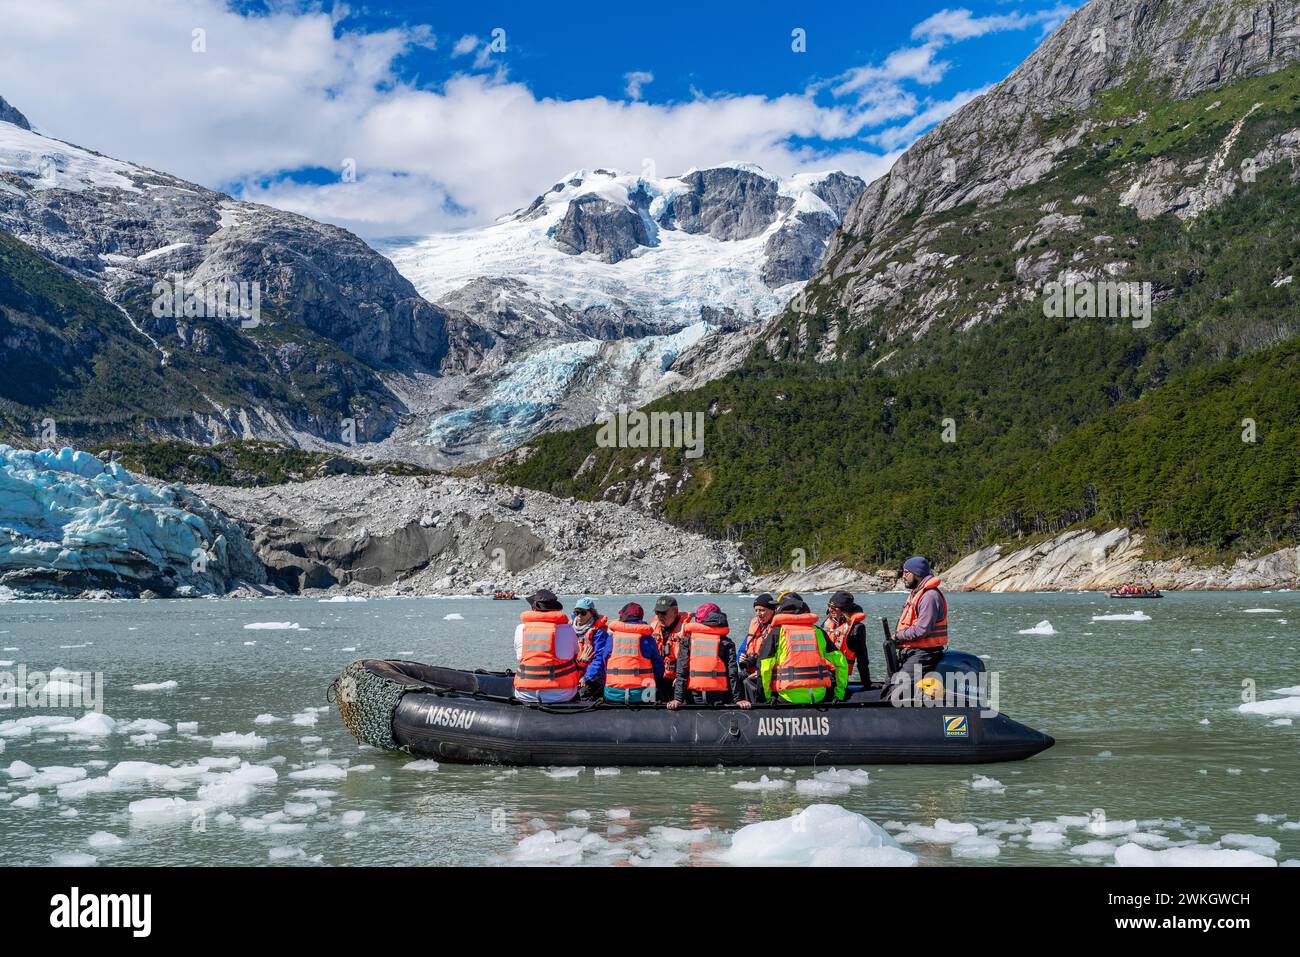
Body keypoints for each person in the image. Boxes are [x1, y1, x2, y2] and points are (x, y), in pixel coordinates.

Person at [757, 594, 848, 704]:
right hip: (819, 695)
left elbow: (764, 668)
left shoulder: (777, 632)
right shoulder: (818, 631)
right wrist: (839, 694)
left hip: (788, 696)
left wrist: (767, 698)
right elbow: (841, 663)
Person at [668, 603, 750, 710]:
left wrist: (677, 699)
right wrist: (738, 699)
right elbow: (732, 673)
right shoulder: (726, 642)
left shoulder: (687, 640)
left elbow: (682, 671)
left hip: (693, 695)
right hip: (719, 695)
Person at [583, 602, 665, 704]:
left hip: (613, 694)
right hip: (642, 695)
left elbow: (604, 664)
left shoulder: (612, 638)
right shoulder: (647, 639)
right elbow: (658, 667)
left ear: (623, 616)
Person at [891, 557, 949, 697]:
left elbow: (922, 629)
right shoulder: (917, 593)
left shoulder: (929, 596)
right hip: (914, 651)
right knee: (891, 683)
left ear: (916, 573)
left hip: (925, 653)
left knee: (897, 691)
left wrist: (898, 636)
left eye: (906, 572)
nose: (903, 576)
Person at [513, 589, 579, 703]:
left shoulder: (521, 629)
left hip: (525, 693)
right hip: (561, 694)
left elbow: (520, 657)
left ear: (534, 609)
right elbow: (575, 653)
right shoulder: (568, 629)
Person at [823, 590, 871, 685]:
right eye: (829, 606)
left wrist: (867, 683)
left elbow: (862, 659)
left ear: (844, 609)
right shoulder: (827, 622)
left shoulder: (856, 629)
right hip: (822, 673)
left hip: (838, 679)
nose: (830, 610)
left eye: (834, 607)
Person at [651, 595, 691, 700]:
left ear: (675, 611)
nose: (660, 616)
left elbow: (692, 658)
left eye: (663, 613)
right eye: (657, 612)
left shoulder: (685, 629)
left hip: (677, 680)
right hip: (657, 679)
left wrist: (681, 677)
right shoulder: (653, 627)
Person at [738, 593, 776, 702]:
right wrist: (741, 658)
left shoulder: (777, 629)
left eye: (762, 610)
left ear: (772, 610)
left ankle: (755, 710)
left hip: (767, 673)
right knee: (735, 677)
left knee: (747, 682)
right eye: (756, 610)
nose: (758, 614)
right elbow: (742, 650)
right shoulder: (755, 627)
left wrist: (760, 673)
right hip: (752, 669)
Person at [572, 597, 609, 674]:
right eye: (576, 612)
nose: (579, 615)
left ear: (592, 613)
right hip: (575, 669)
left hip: (590, 673)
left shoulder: (599, 632)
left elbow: (599, 658)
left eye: (583, 612)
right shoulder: (570, 628)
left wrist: (587, 677)